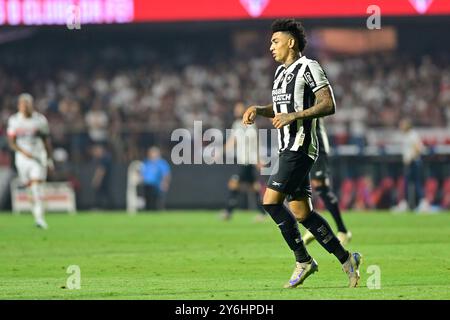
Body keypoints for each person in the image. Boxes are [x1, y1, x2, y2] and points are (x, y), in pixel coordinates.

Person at [242, 19, 361, 288]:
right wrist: (260, 110)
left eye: (275, 41)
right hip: (287, 147)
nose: (270, 46)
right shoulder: (279, 73)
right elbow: (281, 107)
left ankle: (303, 260)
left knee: (271, 202)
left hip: (301, 146)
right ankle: (347, 259)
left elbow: (328, 104)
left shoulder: (309, 67)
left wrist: (293, 116)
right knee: (302, 214)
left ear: (291, 42)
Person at [302, 117, 352, 245]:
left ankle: (343, 231)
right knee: (301, 184)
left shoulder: (310, 98)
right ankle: (313, 227)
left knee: (321, 187)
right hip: (302, 145)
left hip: (316, 143)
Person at [7, 93, 54, 229]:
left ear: (32, 105)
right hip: (22, 159)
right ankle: (36, 215)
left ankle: (40, 219)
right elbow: (11, 142)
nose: (25, 107)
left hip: (38, 157)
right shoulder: (14, 120)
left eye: (27, 104)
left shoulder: (40, 120)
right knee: (29, 189)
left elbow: (46, 141)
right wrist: (23, 152)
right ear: (19, 106)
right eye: (23, 104)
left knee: (36, 187)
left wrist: (49, 158)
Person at [220, 102, 267, 222]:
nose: (237, 110)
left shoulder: (251, 125)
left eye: (239, 108)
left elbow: (256, 143)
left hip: (249, 161)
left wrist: (258, 159)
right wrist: (221, 151)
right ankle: (262, 213)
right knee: (254, 188)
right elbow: (233, 141)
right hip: (242, 160)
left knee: (235, 184)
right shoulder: (236, 124)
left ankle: (228, 211)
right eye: (236, 108)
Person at [394, 118, 429, 212]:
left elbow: (418, 148)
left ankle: (423, 203)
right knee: (407, 183)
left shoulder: (412, 135)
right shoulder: (406, 135)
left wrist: (410, 158)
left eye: (402, 125)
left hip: (414, 162)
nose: (400, 127)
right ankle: (405, 203)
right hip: (410, 163)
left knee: (416, 183)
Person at [140, 146, 171, 210]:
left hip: (158, 186)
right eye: (151, 153)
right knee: (148, 203)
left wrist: (165, 183)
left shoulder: (161, 163)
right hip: (147, 186)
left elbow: (166, 174)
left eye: (153, 153)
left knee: (158, 203)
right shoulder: (146, 162)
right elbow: (142, 172)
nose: (152, 155)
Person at [91, 144, 113, 209]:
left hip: (104, 180)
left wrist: (97, 180)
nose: (95, 153)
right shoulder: (104, 158)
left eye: (97, 151)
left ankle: (100, 206)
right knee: (104, 193)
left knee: (102, 193)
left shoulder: (104, 159)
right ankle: (109, 207)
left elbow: (101, 170)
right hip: (105, 180)